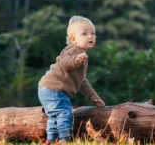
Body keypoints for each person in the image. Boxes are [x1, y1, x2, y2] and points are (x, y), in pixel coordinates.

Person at [38, 15, 105, 144]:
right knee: (64, 112)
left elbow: (81, 81)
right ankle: (64, 139)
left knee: (54, 116)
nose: (90, 36)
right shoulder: (72, 50)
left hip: (48, 88)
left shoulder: (81, 54)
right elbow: (64, 62)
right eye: (84, 34)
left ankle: (51, 140)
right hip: (54, 88)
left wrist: (93, 97)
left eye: (93, 33)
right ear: (73, 39)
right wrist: (76, 60)